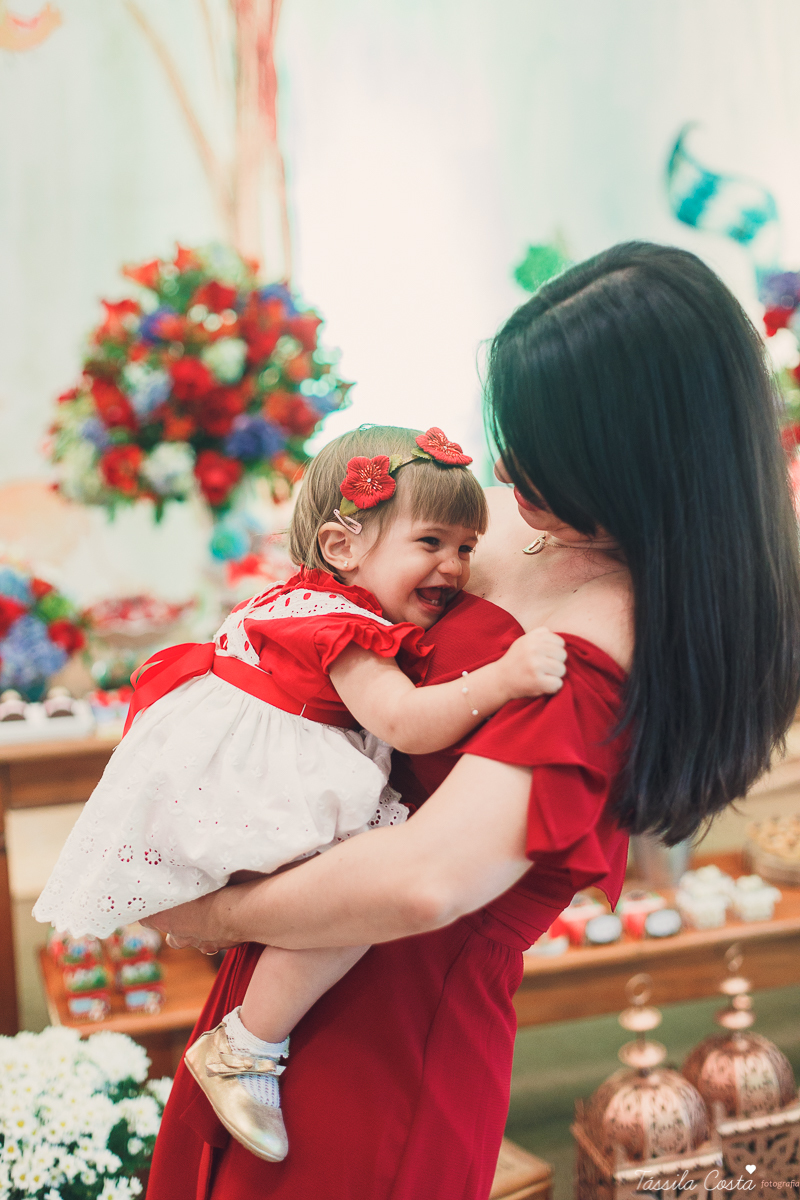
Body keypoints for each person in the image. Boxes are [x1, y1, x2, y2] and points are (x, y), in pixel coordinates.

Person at [145, 242, 800, 1200]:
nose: (504, 462)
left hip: (387, 1043)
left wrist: (209, 911)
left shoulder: (602, 655)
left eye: (545, 444)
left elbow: (424, 883)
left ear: (635, 460)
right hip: (286, 987)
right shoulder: (542, 520)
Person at [33, 423, 566, 1163]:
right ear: (344, 548)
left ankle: (248, 1035)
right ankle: (247, 1043)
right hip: (269, 788)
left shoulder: (299, 600)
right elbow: (407, 725)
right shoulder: (344, 629)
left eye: (467, 548)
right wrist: (504, 678)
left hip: (228, 774)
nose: (455, 567)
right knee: (357, 895)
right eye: (432, 543)